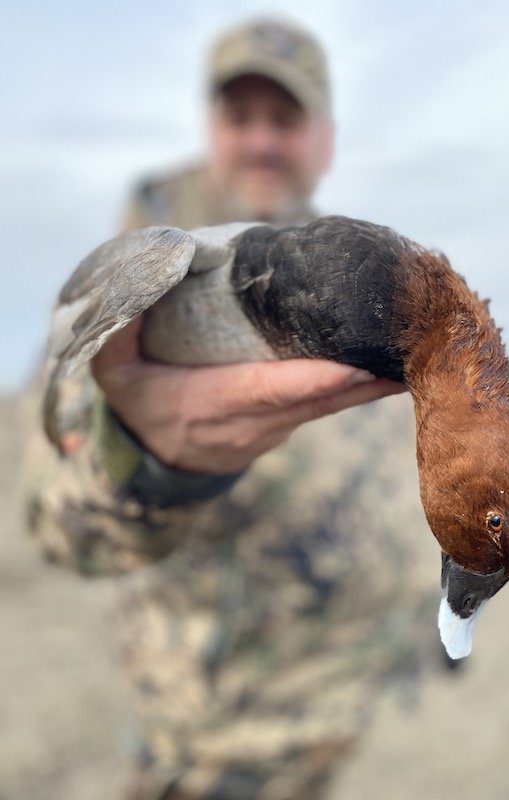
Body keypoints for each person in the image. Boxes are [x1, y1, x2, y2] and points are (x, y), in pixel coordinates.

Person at [25, 17, 438, 800]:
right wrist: (148, 456)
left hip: (339, 696)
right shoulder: (138, 288)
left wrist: (419, 617)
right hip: (222, 740)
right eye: (239, 118)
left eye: (285, 120)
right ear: (210, 128)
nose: (261, 143)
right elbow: (55, 521)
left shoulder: (337, 268)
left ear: (325, 140)